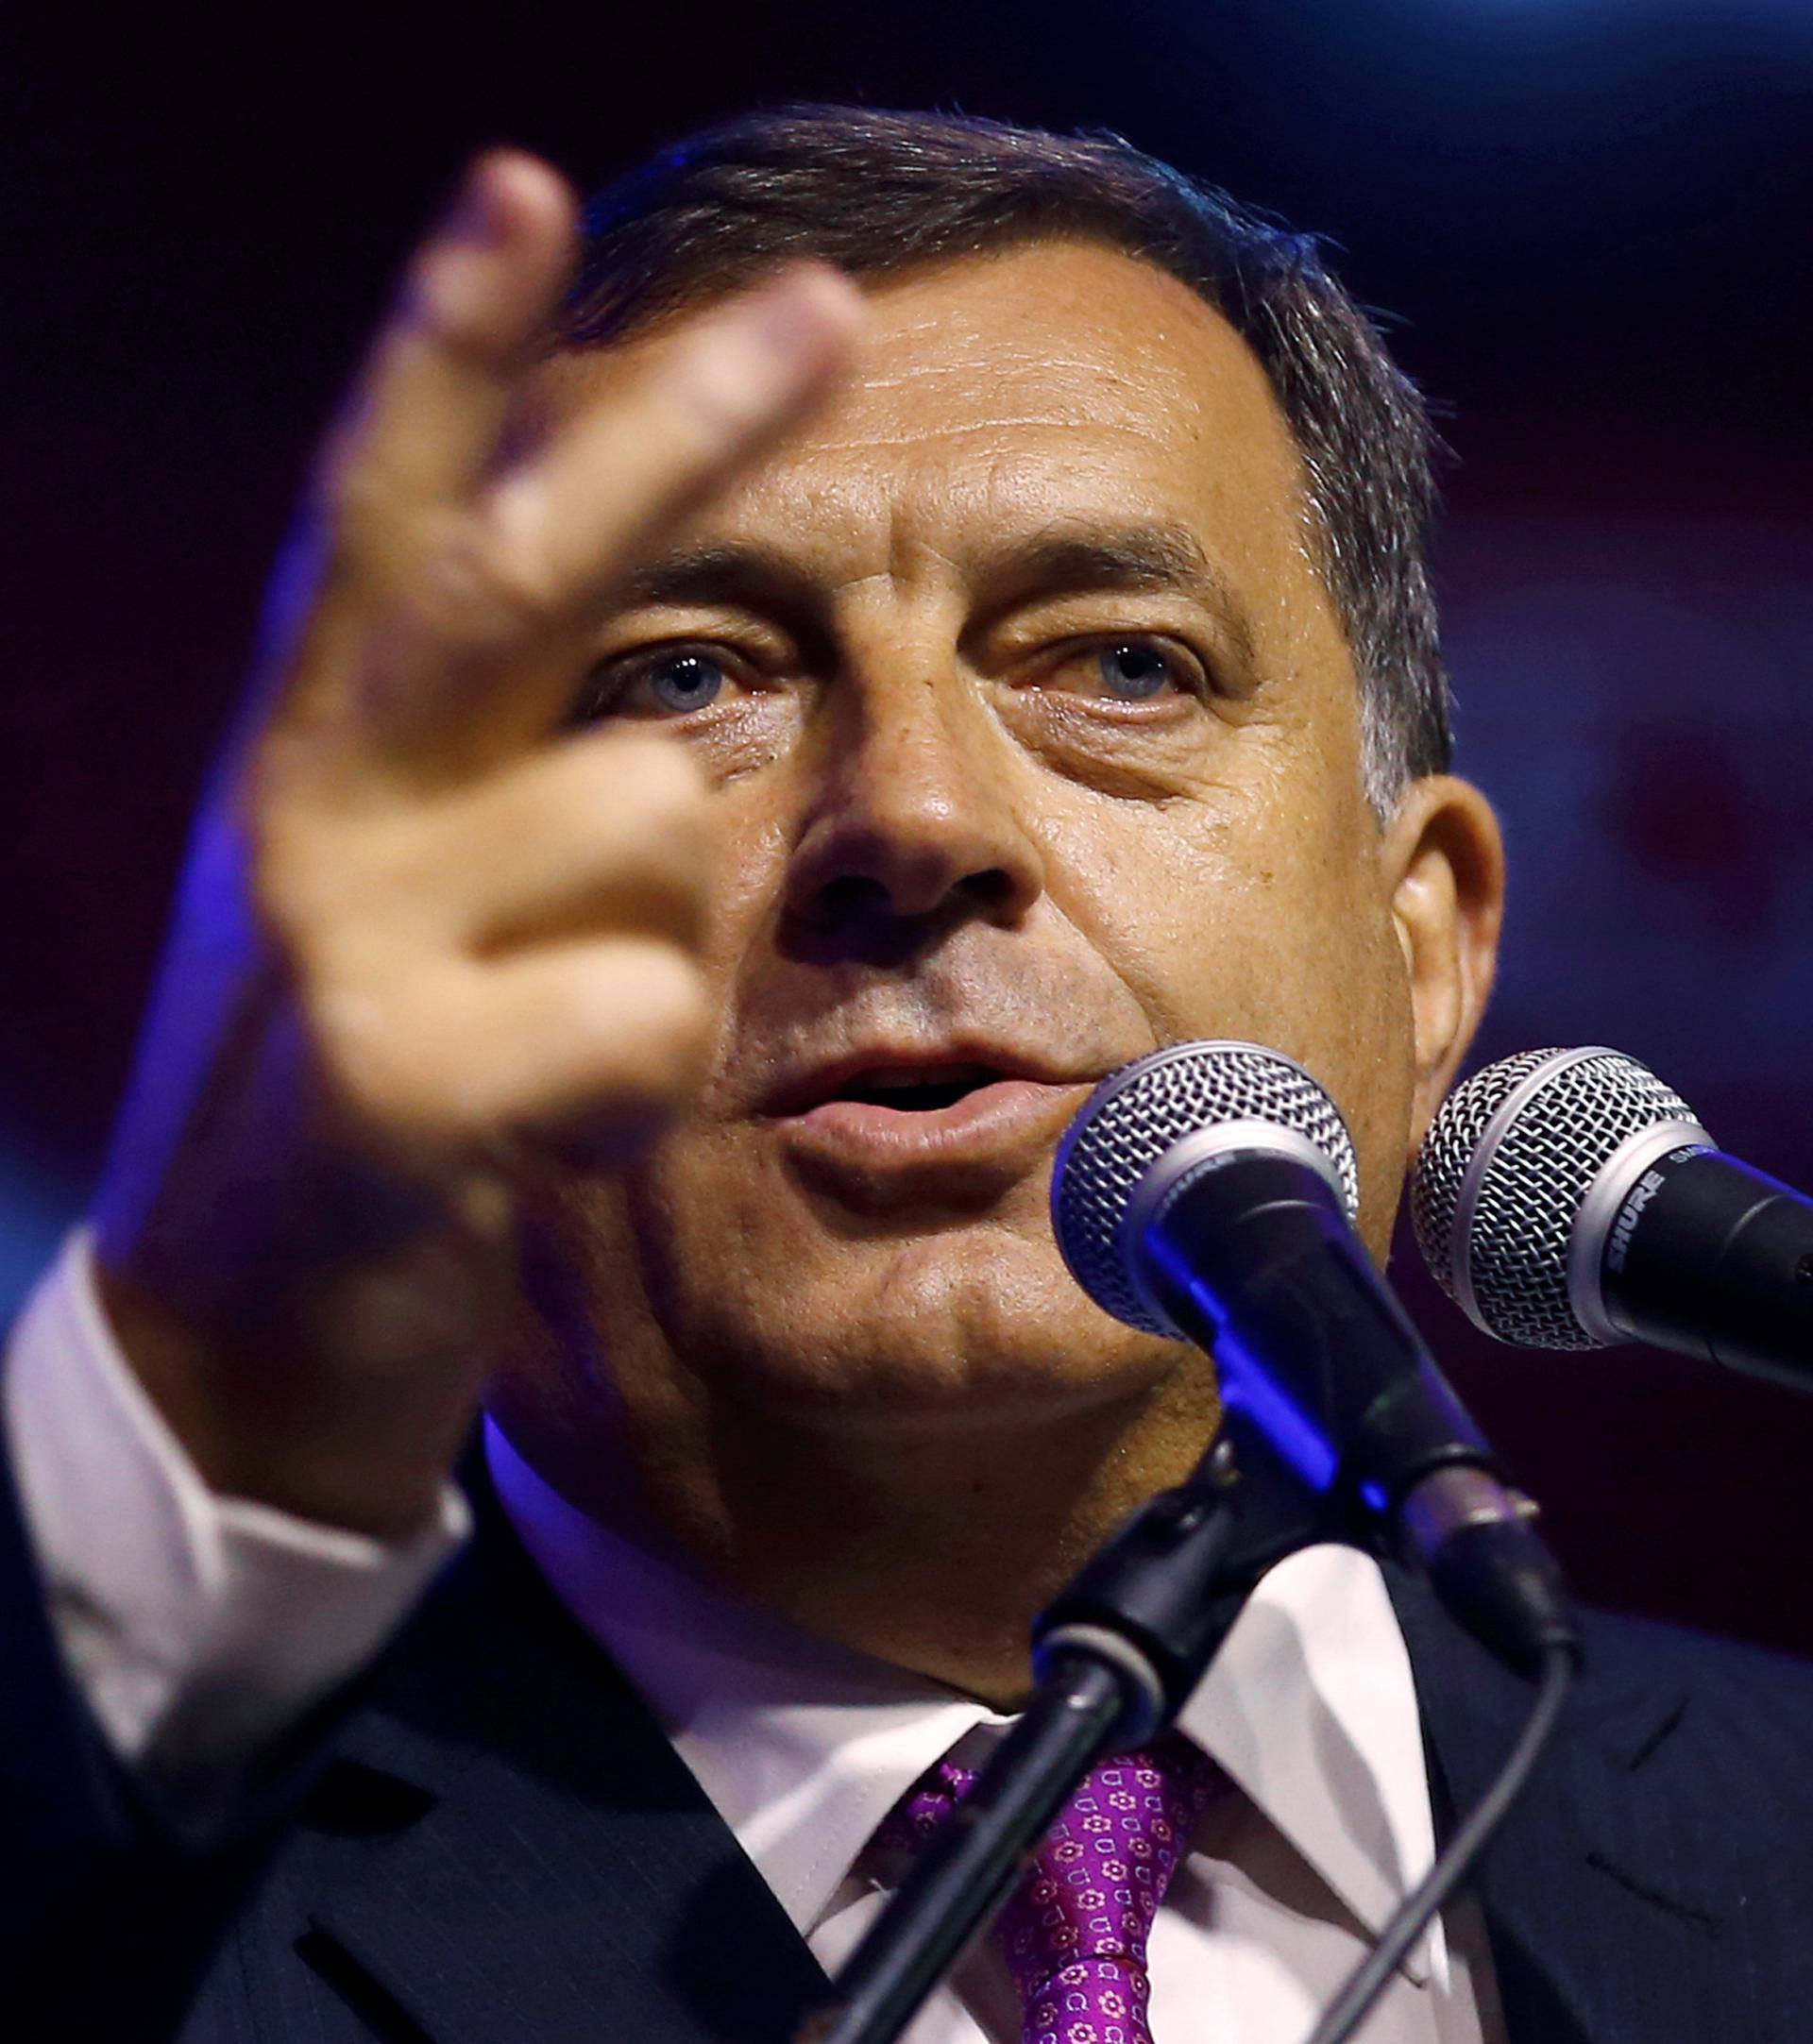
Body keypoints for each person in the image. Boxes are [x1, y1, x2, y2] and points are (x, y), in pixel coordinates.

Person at [4, 105, 1810, 2044]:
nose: (915, 814)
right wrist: (199, 1391)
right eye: (688, 675)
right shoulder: (118, 1894)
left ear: (1428, 940)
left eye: (1119, 665)